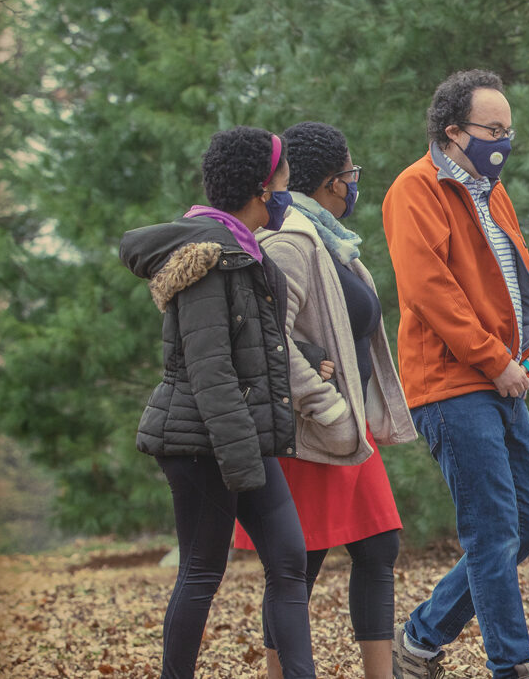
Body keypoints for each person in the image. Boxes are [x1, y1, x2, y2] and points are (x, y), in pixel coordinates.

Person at [119, 126, 316, 679]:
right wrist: (241, 463)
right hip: (202, 440)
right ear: (260, 187)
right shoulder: (208, 256)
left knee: (287, 558)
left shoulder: (245, 251)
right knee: (203, 569)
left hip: (238, 438)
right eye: (283, 180)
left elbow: (249, 343)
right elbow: (209, 369)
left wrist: (308, 353)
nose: (287, 192)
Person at [382, 69, 529, 679]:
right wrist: (494, 360)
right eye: (493, 129)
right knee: (491, 534)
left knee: (525, 529)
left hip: (505, 377)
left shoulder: (491, 191)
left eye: (509, 131)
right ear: (453, 131)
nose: (503, 142)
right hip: (451, 386)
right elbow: (430, 291)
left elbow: (524, 286)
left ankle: (421, 639)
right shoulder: (414, 190)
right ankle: (512, 665)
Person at [230, 121, 418, 679]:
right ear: (333, 181)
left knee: (378, 547)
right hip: (311, 428)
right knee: (299, 564)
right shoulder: (289, 242)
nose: (356, 184)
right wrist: (321, 390)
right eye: (352, 173)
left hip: (349, 425)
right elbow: (266, 334)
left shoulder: (333, 243)